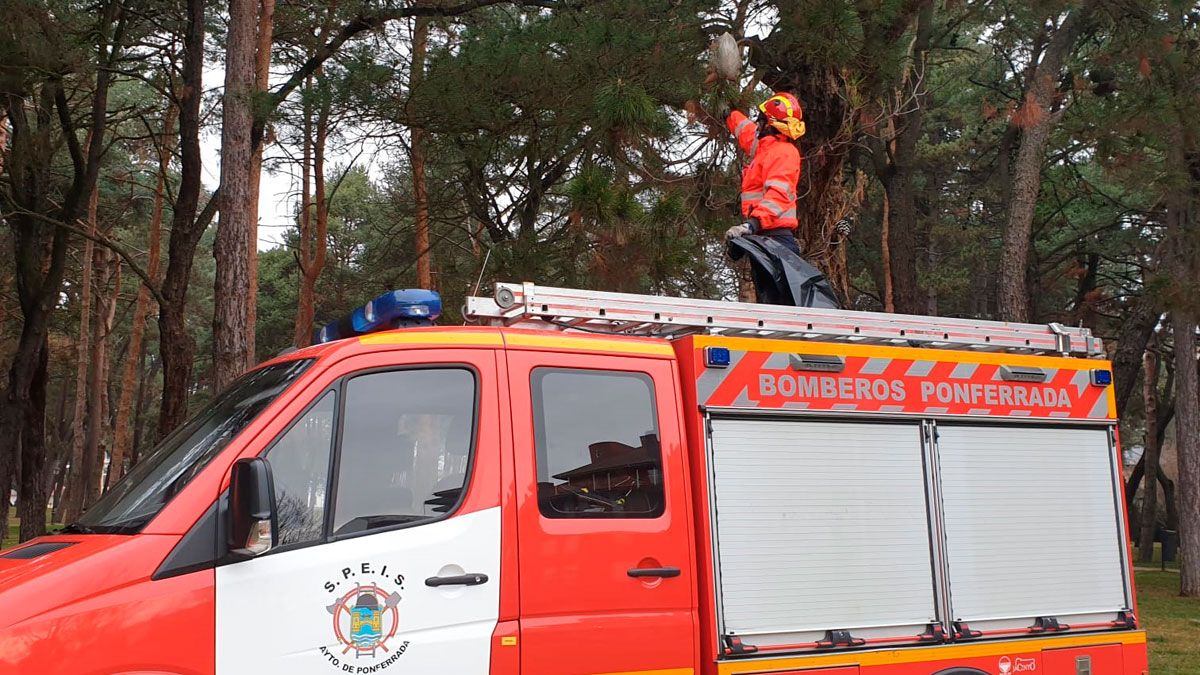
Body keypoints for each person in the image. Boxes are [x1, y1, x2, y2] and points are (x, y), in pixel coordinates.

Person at [722, 92, 806, 253]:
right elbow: (746, 132)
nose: (757, 125)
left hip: (776, 239)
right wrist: (729, 115)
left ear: (768, 124)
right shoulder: (766, 148)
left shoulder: (783, 153)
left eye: (760, 120)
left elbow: (779, 196)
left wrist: (752, 224)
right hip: (763, 235)